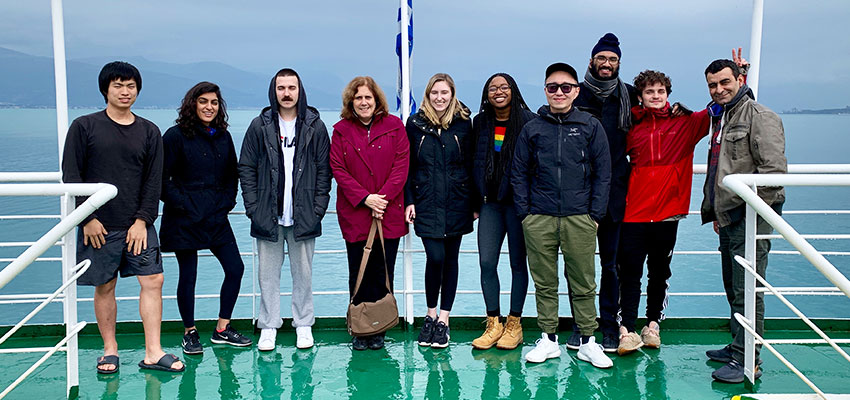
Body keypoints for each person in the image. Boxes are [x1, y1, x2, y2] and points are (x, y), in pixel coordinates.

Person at [62, 61, 184, 373]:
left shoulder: (149, 131)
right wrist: (86, 217)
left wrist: (143, 220)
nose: (125, 91)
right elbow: (71, 175)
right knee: (105, 285)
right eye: (118, 85)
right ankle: (110, 349)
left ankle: (153, 351)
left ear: (137, 90)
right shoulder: (84, 126)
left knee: (153, 280)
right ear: (106, 89)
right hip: (98, 225)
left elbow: (153, 180)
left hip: (138, 225)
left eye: (130, 86)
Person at [512, 62, 612, 368]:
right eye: (553, 87)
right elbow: (518, 173)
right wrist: (525, 214)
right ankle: (548, 339)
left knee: (583, 281)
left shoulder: (590, 126)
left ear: (576, 91)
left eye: (566, 87)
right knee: (544, 281)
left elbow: (603, 173)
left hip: (579, 216)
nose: (559, 92)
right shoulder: (532, 128)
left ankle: (588, 342)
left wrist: (594, 214)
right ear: (545, 91)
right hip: (539, 216)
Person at [701, 55, 786, 383]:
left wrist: (753, 215)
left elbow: (773, 172)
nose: (719, 89)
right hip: (729, 218)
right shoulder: (724, 116)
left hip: (750, 219)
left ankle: (748, 359)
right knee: (734, 287)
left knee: (748, 289)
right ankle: (738, 344)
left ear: (739, 80)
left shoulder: (759, 116)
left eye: (725, 82)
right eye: (712, 85)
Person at [615, 70, 710, 355]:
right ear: (641, 97)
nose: (656, 97)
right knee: (629, 274)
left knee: (659, 273)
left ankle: (653, 325)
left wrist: (741, 76)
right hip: (633, 212)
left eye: (660, 92)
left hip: (668, 213)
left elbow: (721, 105)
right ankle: (627, 330)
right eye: (649, 92)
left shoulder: (686, 123)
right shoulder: (630, 126)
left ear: (668, 94)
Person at [238, 68, 332, 351]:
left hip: (304, 213)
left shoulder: (315, 126)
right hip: (268, 213)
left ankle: (303, 324)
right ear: (274, 90)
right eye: (282, 88)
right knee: (268, 275)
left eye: (292, 87)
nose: (287, 93)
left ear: (300, 91)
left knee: (303, 273)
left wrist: (318, 208)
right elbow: (246, 167)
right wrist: (253, 207)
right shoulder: (260, 125)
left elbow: (325, 171)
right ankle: (269, 325)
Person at [160, 81, 251, 355]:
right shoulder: (174, 136)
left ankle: (222, 328)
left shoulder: (223, 136)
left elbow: (230, 177)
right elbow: (163, 181)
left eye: (214, 102)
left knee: (235, 268)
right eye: (203, 102)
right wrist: (187, 205)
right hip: (183, 217)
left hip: (215, 216)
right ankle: (189, 332)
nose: (209, 107)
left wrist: (223, 205)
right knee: (188, 276)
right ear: (192, 104)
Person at [571, 32, 639, 352]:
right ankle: (582, 326)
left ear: (618, 64)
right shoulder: (575, 95)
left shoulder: (629, 96)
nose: (607, 64)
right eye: (602, 58)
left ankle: (610, 325)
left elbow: (668, 118)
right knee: (580, 265)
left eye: (612, 60)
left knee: (611, 265)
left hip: (615, 196)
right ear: (592, 61)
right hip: (579, 195)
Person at [330, 76, 410, 350]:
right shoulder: (341, 130)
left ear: (377, 100)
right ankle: (360, 328)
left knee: (383, 271)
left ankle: (379, 326)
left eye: (368, 97)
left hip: (388, 211)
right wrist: (366, 198)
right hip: (356, 212)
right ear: (351, 101)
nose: (363, 102)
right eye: (358, 98)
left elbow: (402, 165)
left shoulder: (395, 126)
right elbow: (338, 169)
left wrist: (381, 199)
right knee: (359, 270)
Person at [404, 73, 475, 348]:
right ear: (427, 95)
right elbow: (409, 166)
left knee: (451, 258)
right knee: (435, 257)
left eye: (444, 92)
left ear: (452, 94)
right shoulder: (415, 124)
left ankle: (444, 320)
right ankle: (429, 314)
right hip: (426, 201)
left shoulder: (463, 124)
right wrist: (409, 200)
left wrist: (475, 204)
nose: (439, 98)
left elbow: (471, 163)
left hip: (457, 200)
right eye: (434, 93)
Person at [470, 73, 535, 350]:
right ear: (486, 93)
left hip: (519, 206)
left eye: (504, 87)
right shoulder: (480, 122)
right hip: (490, 204)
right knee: (487, 263)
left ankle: (515, 324)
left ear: (513, 90)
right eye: (493, 88)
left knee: (518, 264)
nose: (498, 91)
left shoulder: (529, 122)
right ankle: (493, 322)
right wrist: (474, 201)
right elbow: (472, 160)